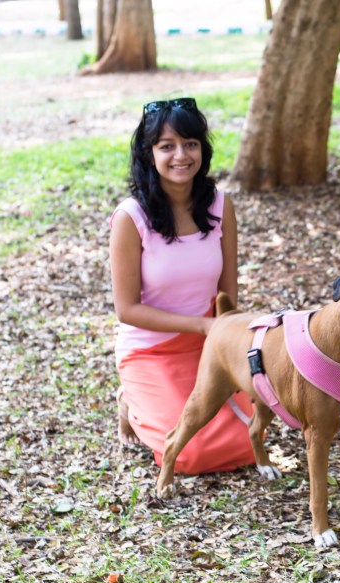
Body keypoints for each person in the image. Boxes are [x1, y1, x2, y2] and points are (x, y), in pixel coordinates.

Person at [109, 97, 255, 474]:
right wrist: (203, 325)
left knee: (249, 440)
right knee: (190, 454)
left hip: (209, 346)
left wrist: (224, 338)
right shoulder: (131, 217)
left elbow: (227, 295)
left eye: (190, 144)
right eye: (166, 146)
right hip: (150, 349)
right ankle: (131, 399)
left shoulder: (220, 205)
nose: (180, 155)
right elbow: (127, 309)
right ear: (149, 153)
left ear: (202, 149)